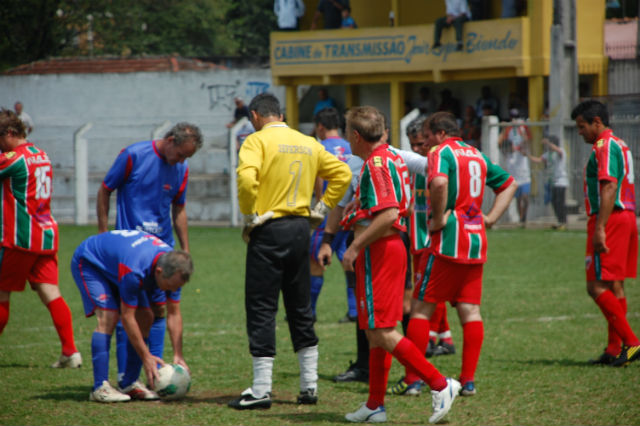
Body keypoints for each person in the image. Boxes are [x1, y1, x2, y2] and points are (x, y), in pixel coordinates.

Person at [337, 106, 460, 424]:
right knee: (375, 331)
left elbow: (390, 214)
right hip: (383, 251)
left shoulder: (376, 163)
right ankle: (375, 404)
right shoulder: (388, 158)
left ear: (355, 135)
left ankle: (440, 383)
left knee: (383, 330)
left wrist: (354, 246)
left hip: (381, 251)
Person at [230, 93, 350, 410]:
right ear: (281, 114)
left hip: (268, 229)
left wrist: (248, 214)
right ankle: (309, 387)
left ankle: (261, 389)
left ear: (255, 116)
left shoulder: (256, 142)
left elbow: (245, 178)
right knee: (300, 307)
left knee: (261, 307)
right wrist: (321, 209)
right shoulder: (309, 143)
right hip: (301, 230)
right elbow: (342, 174)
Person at [397, 111, 516, 398]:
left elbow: (438, 183)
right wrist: (489, 218)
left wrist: (438, 219)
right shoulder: (476, 154)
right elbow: (509, 184)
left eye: (426, 137)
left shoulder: (441, 151)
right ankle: (468, 381)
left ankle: (414, 380)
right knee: (470, 310)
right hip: (475, 241)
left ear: (439, 134)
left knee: (422, 307)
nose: (425, 143)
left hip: (447, 241)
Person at [325, 121, 435, 385]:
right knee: (371, 320)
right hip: (369, 245)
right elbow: (342, 205)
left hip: (382, 243)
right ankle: (374, 398)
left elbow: (391, 211)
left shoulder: (388, 159)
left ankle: (430, 380)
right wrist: (330, 238)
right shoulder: (360, 163)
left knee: (387, 323)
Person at [97, 122, 202, 384]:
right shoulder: (133, 156)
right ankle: (126, 377)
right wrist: (103, 233)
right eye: (180, 154)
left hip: (162, 252)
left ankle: (156, 375)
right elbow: (105, 190)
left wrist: (185, 249)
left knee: (159, 310)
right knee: (129, 311)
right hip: (130, 253)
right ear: (169, 140)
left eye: (186, 157)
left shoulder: (182, 169)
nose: (181, 161)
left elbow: (178, 208)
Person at [0, 108, 81, 368]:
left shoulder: (13, 159)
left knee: (1, 294)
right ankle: (70, 352)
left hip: (20, 237)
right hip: (46, 236)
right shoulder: (41, 155)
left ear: (11, 133)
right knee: (51, 292)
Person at [71, 230, 193, 402]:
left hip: (119, 262)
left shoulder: (175, 272)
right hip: (91, 262)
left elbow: (174, 313)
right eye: (170, 286)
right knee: (109, 317)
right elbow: (128, 317)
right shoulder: (135, 271)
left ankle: (128, 382)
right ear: (158, 272)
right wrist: (146, 356)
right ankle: (100, 388)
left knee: (147, 317)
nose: (172, 291)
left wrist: (178, 355)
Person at [571, 100, 640, 367]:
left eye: (582, 126)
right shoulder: (620, 144)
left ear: (597, 122)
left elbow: (609, 187)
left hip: (611, 218)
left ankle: (632, 342)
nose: (580, 132)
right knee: (614, 284)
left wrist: (600, 227)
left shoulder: (604, 146)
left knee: (595, 286)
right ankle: (614, 349)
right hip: (626, 217)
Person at [308, 108, 354, 322]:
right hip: (350, 212)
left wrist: (319, 204)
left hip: (328, 213)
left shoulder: (318, 147)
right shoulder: (351, 147)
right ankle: (354, 311)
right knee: (348, 259)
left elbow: (319, 176)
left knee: (316, 261)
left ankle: (310, 311)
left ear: (320, 127)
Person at [526, 135, 568, 229]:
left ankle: (563, 222)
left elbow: (558, 150)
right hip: (552, 182)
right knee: (554, 202)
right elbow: (539, 160)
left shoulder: (560, 151)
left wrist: (547, 142)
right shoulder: (548, 154)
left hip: (561, 181)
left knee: (560, 202)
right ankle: (559, 221)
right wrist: (527, 155)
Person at [498, 108, 531, 226]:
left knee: (525, 197)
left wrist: (522, 131)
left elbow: (526, 142)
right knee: (518, 199)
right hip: (514, 174)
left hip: (524, 173)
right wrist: (503, 128)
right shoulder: (508, 131)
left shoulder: (522, 129)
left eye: (516, 117)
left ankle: (524, 216)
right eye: (512, 117)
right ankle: (521, 219)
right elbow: (500, 143)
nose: (514, 120)